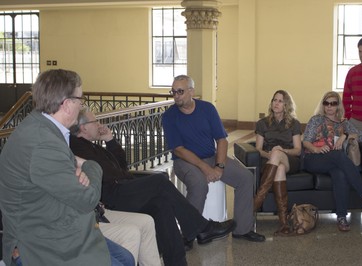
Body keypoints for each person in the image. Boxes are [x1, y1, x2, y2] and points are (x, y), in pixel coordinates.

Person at [0, 69, 133, 266]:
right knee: (121, 263)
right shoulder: (43, 142)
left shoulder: (42, 125)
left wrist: (78, 170)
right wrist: (90, 165)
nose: (81, 105)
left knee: (126, 258)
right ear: (67, 103)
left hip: (54, 222)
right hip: (40, 242)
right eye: (80, 99)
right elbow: (87, 199)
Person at [70, 108, 236, 266]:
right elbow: (105, 174)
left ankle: (177, 262)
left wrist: (110, 140)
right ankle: (201, 227)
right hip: (111, 195)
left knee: (161, 205)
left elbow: (122, 165)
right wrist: (125, 177)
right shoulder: (77, 146)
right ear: (83, 127)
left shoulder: (93, 145)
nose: (99, 125)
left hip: (122, 186)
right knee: (159, 181)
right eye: (95, 122)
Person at [162, 75, 265, 242]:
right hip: (185, 162)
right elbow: (179, 150)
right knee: (199, 183)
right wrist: (205, 168)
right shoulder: (169, 116)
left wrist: (219, 166)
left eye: (180, 91)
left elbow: (221, 139)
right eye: (173, 92)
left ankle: (242, 229)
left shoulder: (207, 109)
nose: (176, 96)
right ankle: (188, 235)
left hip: (211, 156)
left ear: (191, 91)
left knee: (245, 177)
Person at [302, 91, 362, 232]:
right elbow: (306, 141)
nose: (329, 106)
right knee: (338, 155)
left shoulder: (344, 123)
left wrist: (345, 135)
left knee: (340, 173)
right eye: (326, 103)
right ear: (323, 105)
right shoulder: (316, 120)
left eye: (333, 103)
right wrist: (316, 149)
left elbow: (361, 137)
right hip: (314, 159)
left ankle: (341, 217)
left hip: (334, 162)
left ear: (338, 106)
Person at [253, 90, 302, 236]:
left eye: (280, 101)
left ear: (286, 105)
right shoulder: (262, 123)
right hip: (270, 160)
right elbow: (258, 149)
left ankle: (257, 201)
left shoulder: (294, 124)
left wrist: (282, 151)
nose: (276, 103)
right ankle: (283, 222)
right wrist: (270, 154)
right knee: (279, 168)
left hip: (289, 159)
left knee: (278, 156)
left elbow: (298, 150)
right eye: (274, 100)